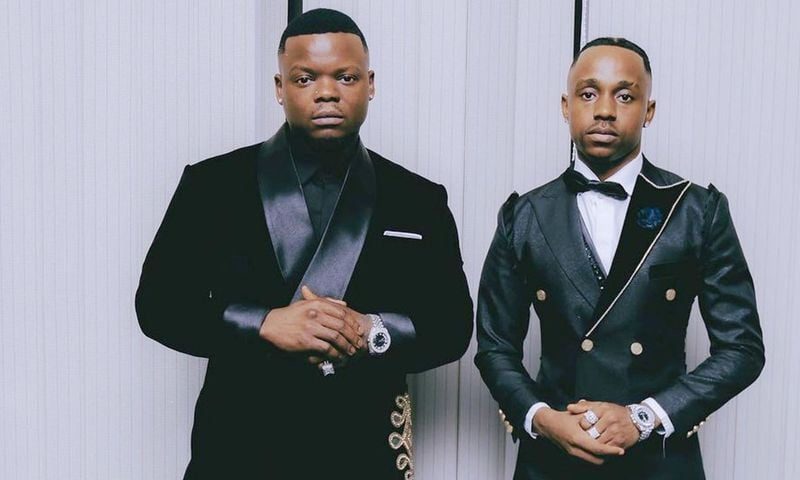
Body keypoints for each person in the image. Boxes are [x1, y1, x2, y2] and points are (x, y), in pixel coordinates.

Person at [136, 9, 473, 479]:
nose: (327, 91)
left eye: (346, 77)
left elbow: (453, 326)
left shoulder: (418, 199)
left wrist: (369, 330)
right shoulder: (212, 185)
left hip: (362, 452)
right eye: (305, 78)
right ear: (280, 88)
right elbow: (158, 305)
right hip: (238, 449)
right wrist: (264, 323)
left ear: (370, 84)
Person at [474, 37, 764, 479]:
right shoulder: (524, 216)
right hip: (551, 463)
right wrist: (542, 418)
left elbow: (742, 349)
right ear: (566, 106)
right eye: (589, 94)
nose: (605, 110)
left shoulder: (696, 211)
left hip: (660, 463)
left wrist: (644, 417)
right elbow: (496, 347)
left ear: (649, 110)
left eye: (625, 96)